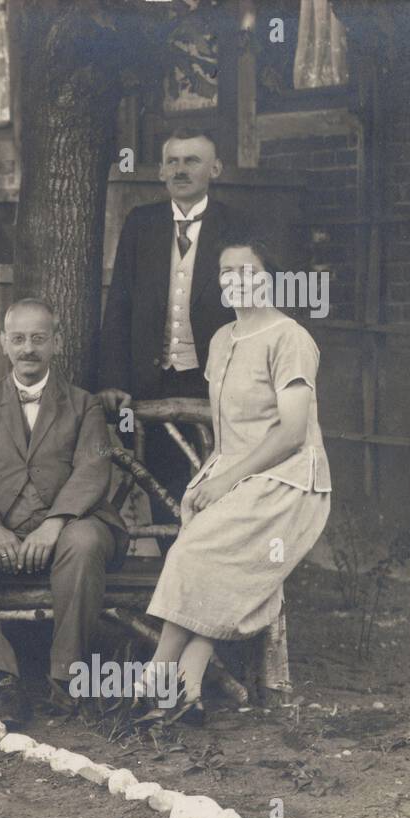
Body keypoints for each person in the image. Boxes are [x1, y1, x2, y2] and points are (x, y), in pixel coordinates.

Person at [138, 235, 331, 726]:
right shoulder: (223, 339)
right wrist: (207, 482)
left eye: (247, 271)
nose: (236, 281)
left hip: (290, 482)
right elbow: (229, 436)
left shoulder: (290, 340)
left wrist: (225, 484)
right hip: (238, 475)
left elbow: (290, 434)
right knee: (218, 564)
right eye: (226, 272)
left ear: (271, 279)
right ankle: (188, 691)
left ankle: (154, 678)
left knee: (194, 553)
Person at [0, 298, 128, 727]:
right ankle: (1, 680)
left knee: (86, 540)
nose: (28, 349)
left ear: (56, 343)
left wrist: (55, 524)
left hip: (65, 530)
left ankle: (67, 678)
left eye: (39, 338)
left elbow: (93, 470)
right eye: (18, 338)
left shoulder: (83, 405)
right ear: (4, 343)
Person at [95, 127, 243, 534]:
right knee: (164, 490)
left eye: (192, 161)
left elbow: (253, 311)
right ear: (161, 171)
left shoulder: (236, 226)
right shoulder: (141, 224)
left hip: (213, 382)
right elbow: (119, 306)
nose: (181, 170)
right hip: (153, 382)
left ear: (214, 168)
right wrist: (112, 379)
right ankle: (169, 578)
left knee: (219, 487)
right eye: (172, 161)